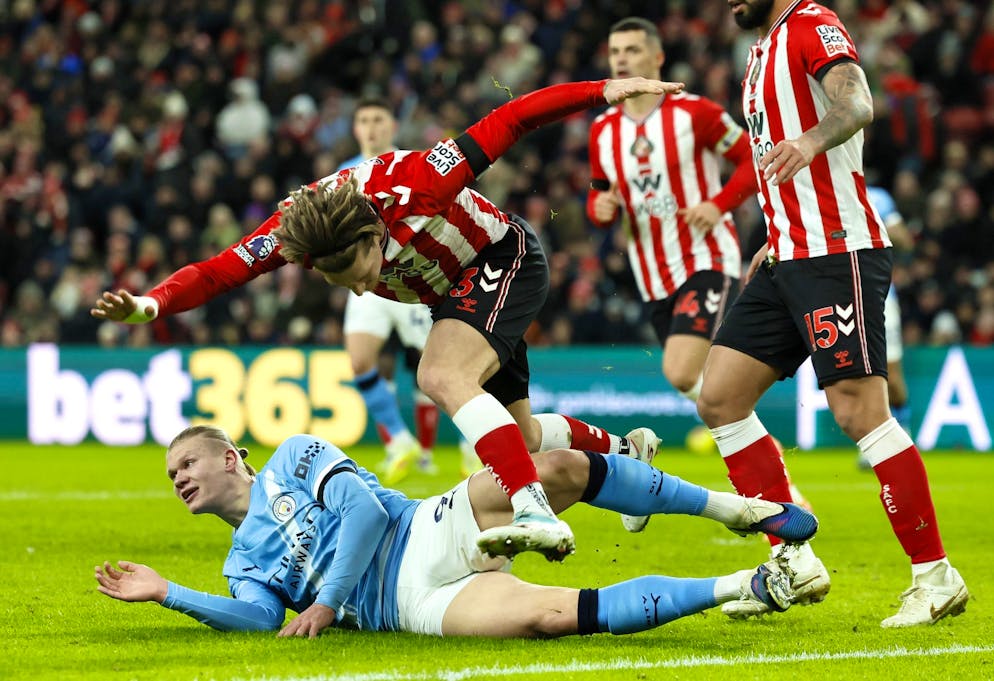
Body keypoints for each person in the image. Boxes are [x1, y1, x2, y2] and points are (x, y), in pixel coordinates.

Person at [91, 77, 685, 561]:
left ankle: (532, 506)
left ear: (374, 233)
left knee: (441, 375)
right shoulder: (298, 231)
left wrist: (602, 91)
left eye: (361, 271)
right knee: (521, 437)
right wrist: (152, 304)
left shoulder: (419, 181)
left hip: (502, 258)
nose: (362, 287)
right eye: (343, 282)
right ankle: (626, 452)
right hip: (451, 295)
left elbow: (511, 118)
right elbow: (219, 270)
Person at [696, 0, 968, 626]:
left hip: (837, 251)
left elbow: (857, 103)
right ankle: (793, 559)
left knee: (858, 411)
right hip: (787, 253)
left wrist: (809, 140)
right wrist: (777, 232)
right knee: (721, 397)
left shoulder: (810, 23)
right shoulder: (760, 48)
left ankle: (935, 577)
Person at [94, 425, 818, 638]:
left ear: (230, 457)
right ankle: (748, 584)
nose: (179, 478)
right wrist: (168, 593)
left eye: (186, 463)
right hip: (410, 606)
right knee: (549, 615)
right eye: (171, 474)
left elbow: (367, 513)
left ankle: (739, 510)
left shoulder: (292, 457)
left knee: (555, 469)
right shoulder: (241, 563)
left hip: (422, 531)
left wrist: (327, 600)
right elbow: (258, 620)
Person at [587, 17, 756, 413]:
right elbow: (598, 197)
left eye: (632, 50)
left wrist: (718, 205)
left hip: (705, 257)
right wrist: (600, 209)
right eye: (615, 52)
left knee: (680, 372)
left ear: (658, 57)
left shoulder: (696, 113)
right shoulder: (602, 131)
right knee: (702, 386)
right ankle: (760, 442)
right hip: (652, 275)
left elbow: (752, 158)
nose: (621, 60)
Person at [336, 97, 454, 483]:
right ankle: (400, 442)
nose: (371, 127)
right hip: (365, 285)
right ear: (356, 128)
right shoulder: (342, 174)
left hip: (407, 280)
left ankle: (461, 447)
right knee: (359, 361)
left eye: (378, 119)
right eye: (364, 120)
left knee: (435, 369)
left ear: (392, 126)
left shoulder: (408, 165)